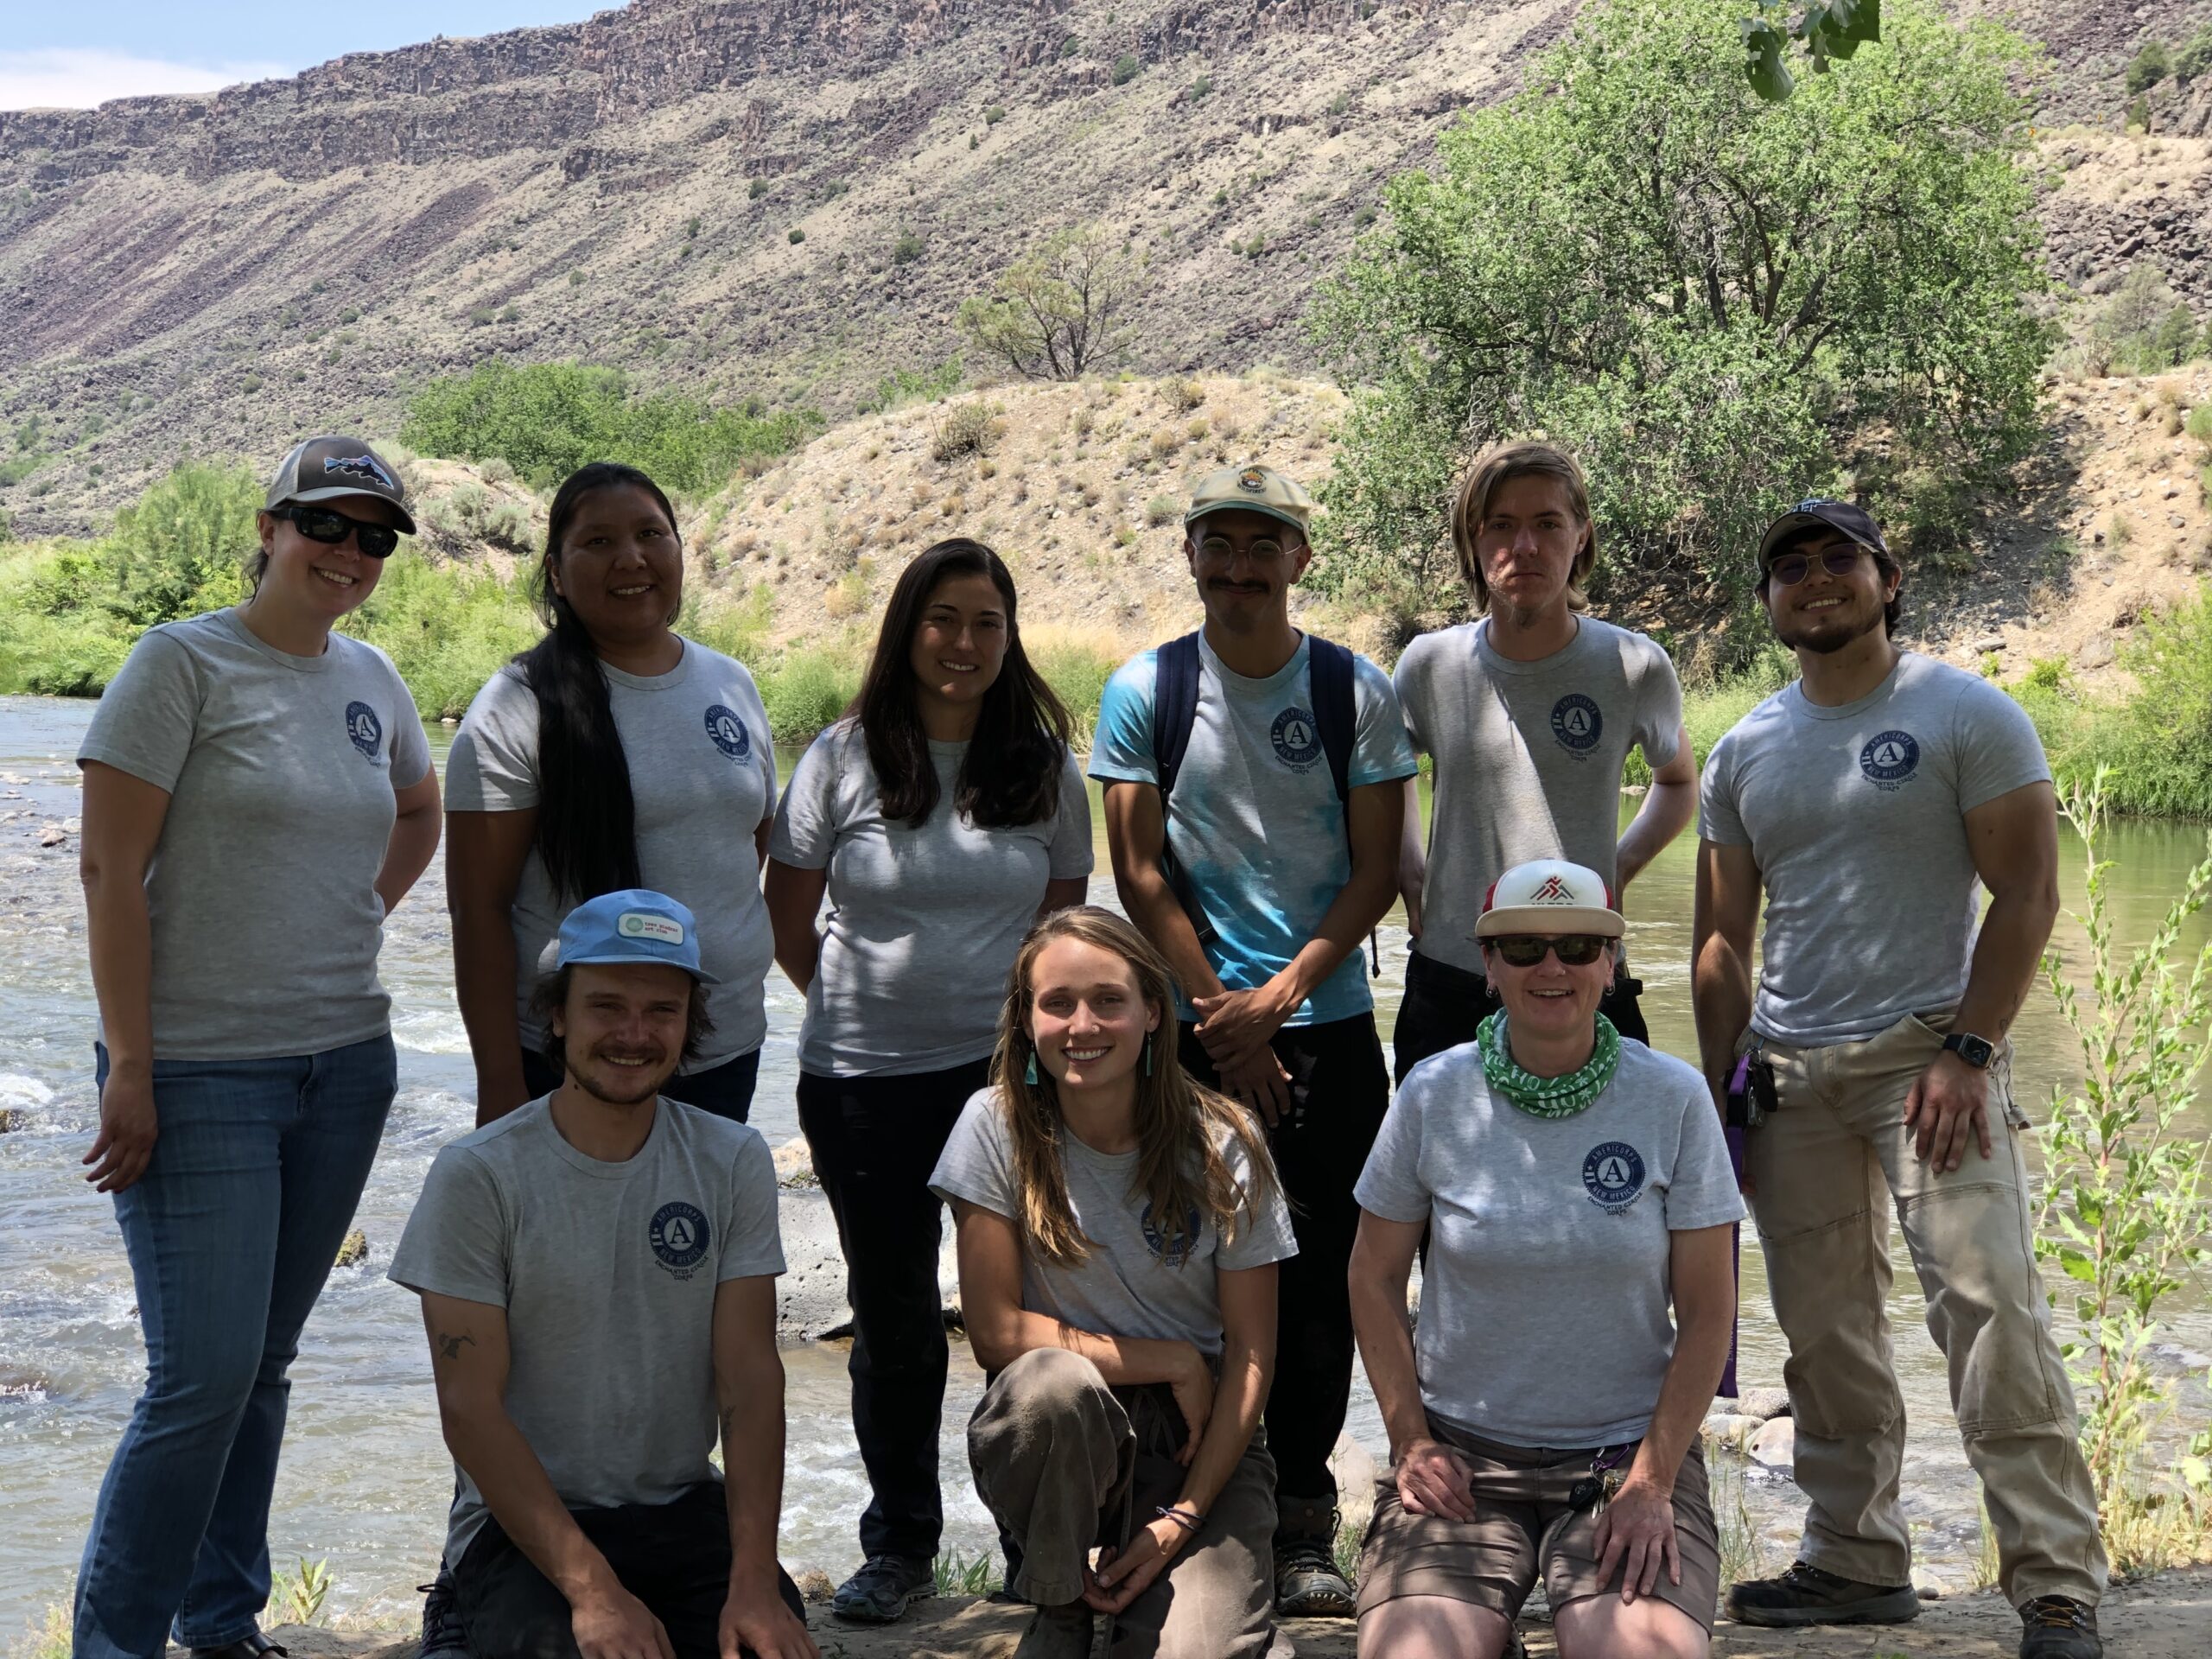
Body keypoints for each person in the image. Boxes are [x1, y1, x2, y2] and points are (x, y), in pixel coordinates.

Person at [1692, 500, 2107, 1659]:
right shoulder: (1745, 750)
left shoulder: (1964, 712)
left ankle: (2055, 1585)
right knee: (1823, 1333)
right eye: (1789, 569)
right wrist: (1721, 1083)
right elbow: (1723, 941)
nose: (1815, 581)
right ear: (1768, 602)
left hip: (1929, 1059)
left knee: (1987, 1311)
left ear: (1886, 578)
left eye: (1838, 560)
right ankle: (1856, 1560)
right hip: (1789, 1073)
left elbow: (2028, 893)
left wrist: (1969, 1051)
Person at [72, 436, 442, 1659]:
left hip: (343, 1065)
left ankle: (220, 1624)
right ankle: (118, 1644)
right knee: (200, 1380)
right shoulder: (179, 662)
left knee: (262, 1368)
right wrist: (131, 1065)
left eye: (373, 537)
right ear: (274, 526)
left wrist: (347, 911)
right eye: (328, 526)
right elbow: (107, 871)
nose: (349, 554)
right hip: (194, 1070)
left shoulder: (374, 678)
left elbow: (417, 807)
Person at [1091, 464, 1420, 1616]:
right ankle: (1183, 1499)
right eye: (1218, 547)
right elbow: (1137, 869)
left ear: (1299, 560)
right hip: (1187, 1039)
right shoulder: (1146, 688)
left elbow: (1377, 869)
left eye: (1260, 547)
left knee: (1325, 1275)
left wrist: (1278, 998)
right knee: (1188, 1271)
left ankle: (1301, 1524)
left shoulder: (1352, 691)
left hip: (1324, 1030)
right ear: (1192, 557)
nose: (1238, 569)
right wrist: (1219, 1016)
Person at [764, 538, 1092, 1624]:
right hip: (862, 1079)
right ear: (907, 629)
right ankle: (900, 1545)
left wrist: (1011, 1044)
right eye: (942, 619)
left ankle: (1024, 1542)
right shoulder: (842, 757)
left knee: (1022, 1314)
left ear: (1011, 637)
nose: (964, 643)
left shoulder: (1042, 765)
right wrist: (867, 1011)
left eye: (986, 623)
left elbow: (1063, 929)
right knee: (893, 1316)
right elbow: (790, 917)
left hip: (1005, 1085)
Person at [389, 889, 816, 1659]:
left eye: (662, 1010)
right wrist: (594, 1591)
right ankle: (456, 1610)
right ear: (556, 1015)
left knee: (767, 1642)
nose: (633, 1033)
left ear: (691, 1024)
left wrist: (754, 1576)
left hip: (681, 1507)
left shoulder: (732, 1159)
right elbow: (470, 1409)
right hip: (521, 1528)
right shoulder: (478, 1175)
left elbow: (750, 1383)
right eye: (606, 1006)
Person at [1349, 860, 1741, 1659]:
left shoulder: (1672, 1098)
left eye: (1577, 945)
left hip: (1622, 1466)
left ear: (1611, 963)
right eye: (1523, 947)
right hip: (1461, 1462)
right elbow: (1372, 1275)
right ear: (1489, 967)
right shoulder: (1432, 1094)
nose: (1551, 966)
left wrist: (1655, 1480)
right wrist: (1409, 1441)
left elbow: (1709, 1312)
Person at [932, 906, 1299, 1658]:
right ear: (1025, 1019)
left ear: (1154, 1014)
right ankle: (1059, 1601)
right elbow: (997, 1335)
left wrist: (1184, 1517)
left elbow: (1256, 1353)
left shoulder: (1225, 1138)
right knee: (1050, 1386)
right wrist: (1171, 1359)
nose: (1083, 1024)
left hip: (1199, 1439)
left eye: (1109, 1000)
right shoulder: (992, 1125)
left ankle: (1189, 1600)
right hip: (1065, 1431)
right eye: (1057, 1002)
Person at [447, 461, 778, 1128]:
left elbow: (748, 847)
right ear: (557, 573)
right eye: (598, 541)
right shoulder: (515, 707)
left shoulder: (732, 683)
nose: (631, 558)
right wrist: (500, 1083)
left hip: (723, 1048)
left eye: (652, 534)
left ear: (681, 552)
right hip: (574, 1062)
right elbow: (478, 914)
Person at [1391, 441, 1694, 1082]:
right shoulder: (1429, 665)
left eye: (1548, 524)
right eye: (1501, 525)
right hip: (1452, 973)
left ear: (1581, 536)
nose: (1524, 547)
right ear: (1473, 542)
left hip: (1584, 969)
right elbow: (1385, 777)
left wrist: (1619, 869)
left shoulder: (1635, 666)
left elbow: (1677, 780)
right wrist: (1407, 867)